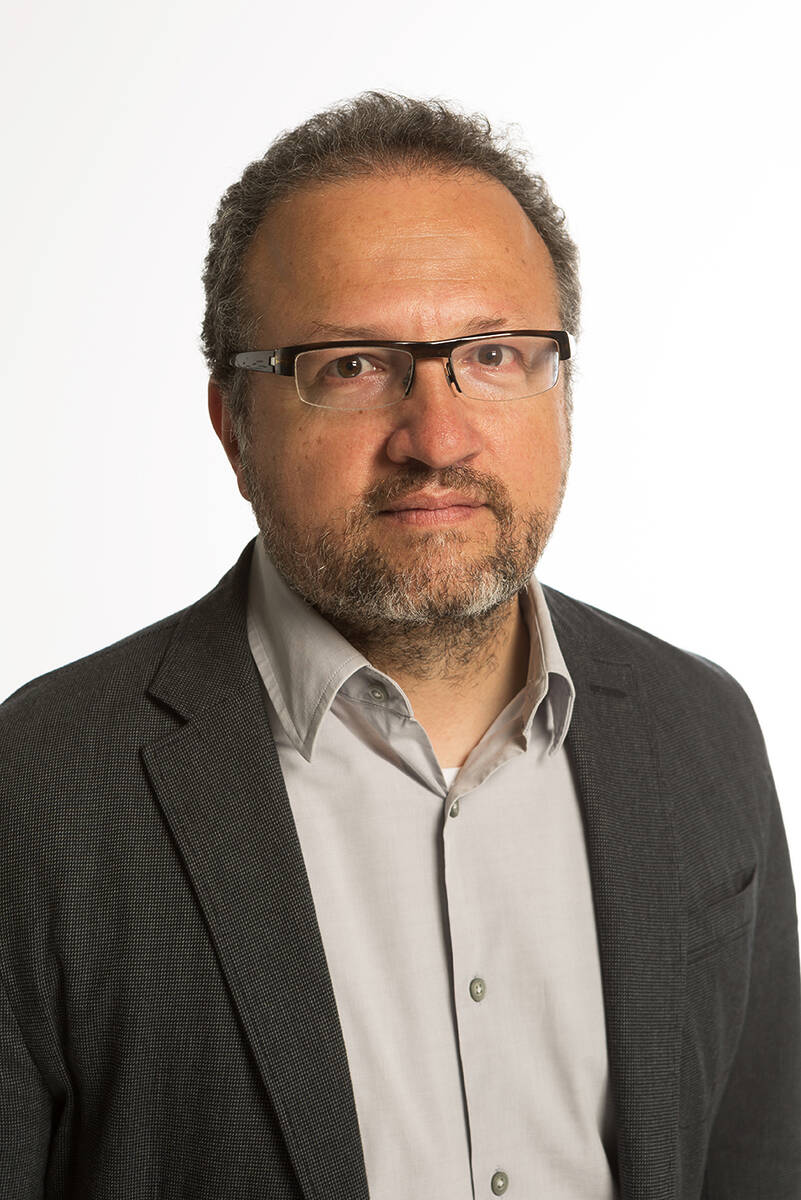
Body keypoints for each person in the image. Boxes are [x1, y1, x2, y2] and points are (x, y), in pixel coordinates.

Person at [1, 92, 799, 1200]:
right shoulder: (40, 786)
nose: (437, 437)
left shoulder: (700, 730)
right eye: (352, 366)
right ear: (234, 426)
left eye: (495, 353)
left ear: (563, 390)